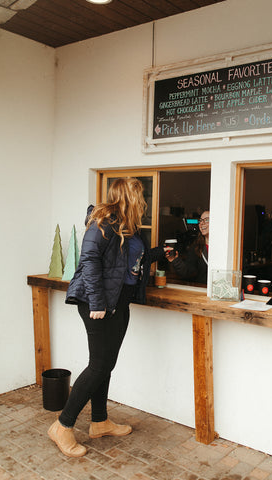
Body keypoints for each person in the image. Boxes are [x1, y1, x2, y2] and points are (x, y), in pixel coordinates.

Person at [48, 178, 167, 458]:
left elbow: (127, 263)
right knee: (99, 365)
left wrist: (159, 253)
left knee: (106, 365)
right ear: (128, 196)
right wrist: (98, 302)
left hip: (119, 303)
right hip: (97, 303)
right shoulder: (100, 222)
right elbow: (89, 261)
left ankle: (99, 422)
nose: (144, 201)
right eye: (139, 195)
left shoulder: (129, 227)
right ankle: (62, 426)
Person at [166, 211, 209, 284]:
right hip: (202, 291)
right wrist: (175, 260)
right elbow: (187, 272)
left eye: (207, 220)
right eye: (200, 220)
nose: (202, 223)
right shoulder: (196, 247)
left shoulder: (223, 246)